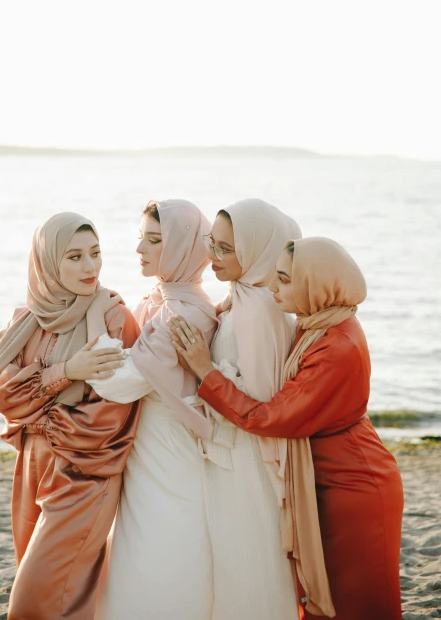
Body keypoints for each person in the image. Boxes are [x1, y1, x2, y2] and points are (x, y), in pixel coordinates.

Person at [171, 236, 404, 620]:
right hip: (331, 476)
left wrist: (204, 371)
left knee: (359, 600)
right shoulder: (321, 322)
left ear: (314, 284)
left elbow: (271, 418)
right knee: (328, 595)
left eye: (284, 280)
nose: (273, 287)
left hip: (355, 485)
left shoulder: (337, 346)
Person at [0, 212, 141, 620]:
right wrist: (69, 372)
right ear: (47, 262)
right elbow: (8, 397)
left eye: (95, 254)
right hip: (30, 466)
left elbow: (113, 413)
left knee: (35, 597)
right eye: (75, 256)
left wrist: (43, 403)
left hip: (83, 470)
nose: (90, 267)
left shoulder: (113, 315)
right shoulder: (24, 321)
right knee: (55, 588)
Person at [170, 198, 301, 620]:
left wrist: (204, 369)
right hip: (227, 458)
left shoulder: (260, 308)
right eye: (214, 243)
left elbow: (264, 405)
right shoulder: (242, 300)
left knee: (251, 570)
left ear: (259, 250)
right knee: (233, 567)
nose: (213, 255)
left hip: (247, 462)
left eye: (227, 248)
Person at [90, 200, 218, 620]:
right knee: (141, 544)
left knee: (161, 545)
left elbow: (122, 383)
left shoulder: (183, 312)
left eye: (156, 240)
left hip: (167, 448)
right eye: (140, 237)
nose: (140, 248)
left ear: (183, 247)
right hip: (151, 443)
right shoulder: (167, 300)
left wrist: (85, 347)